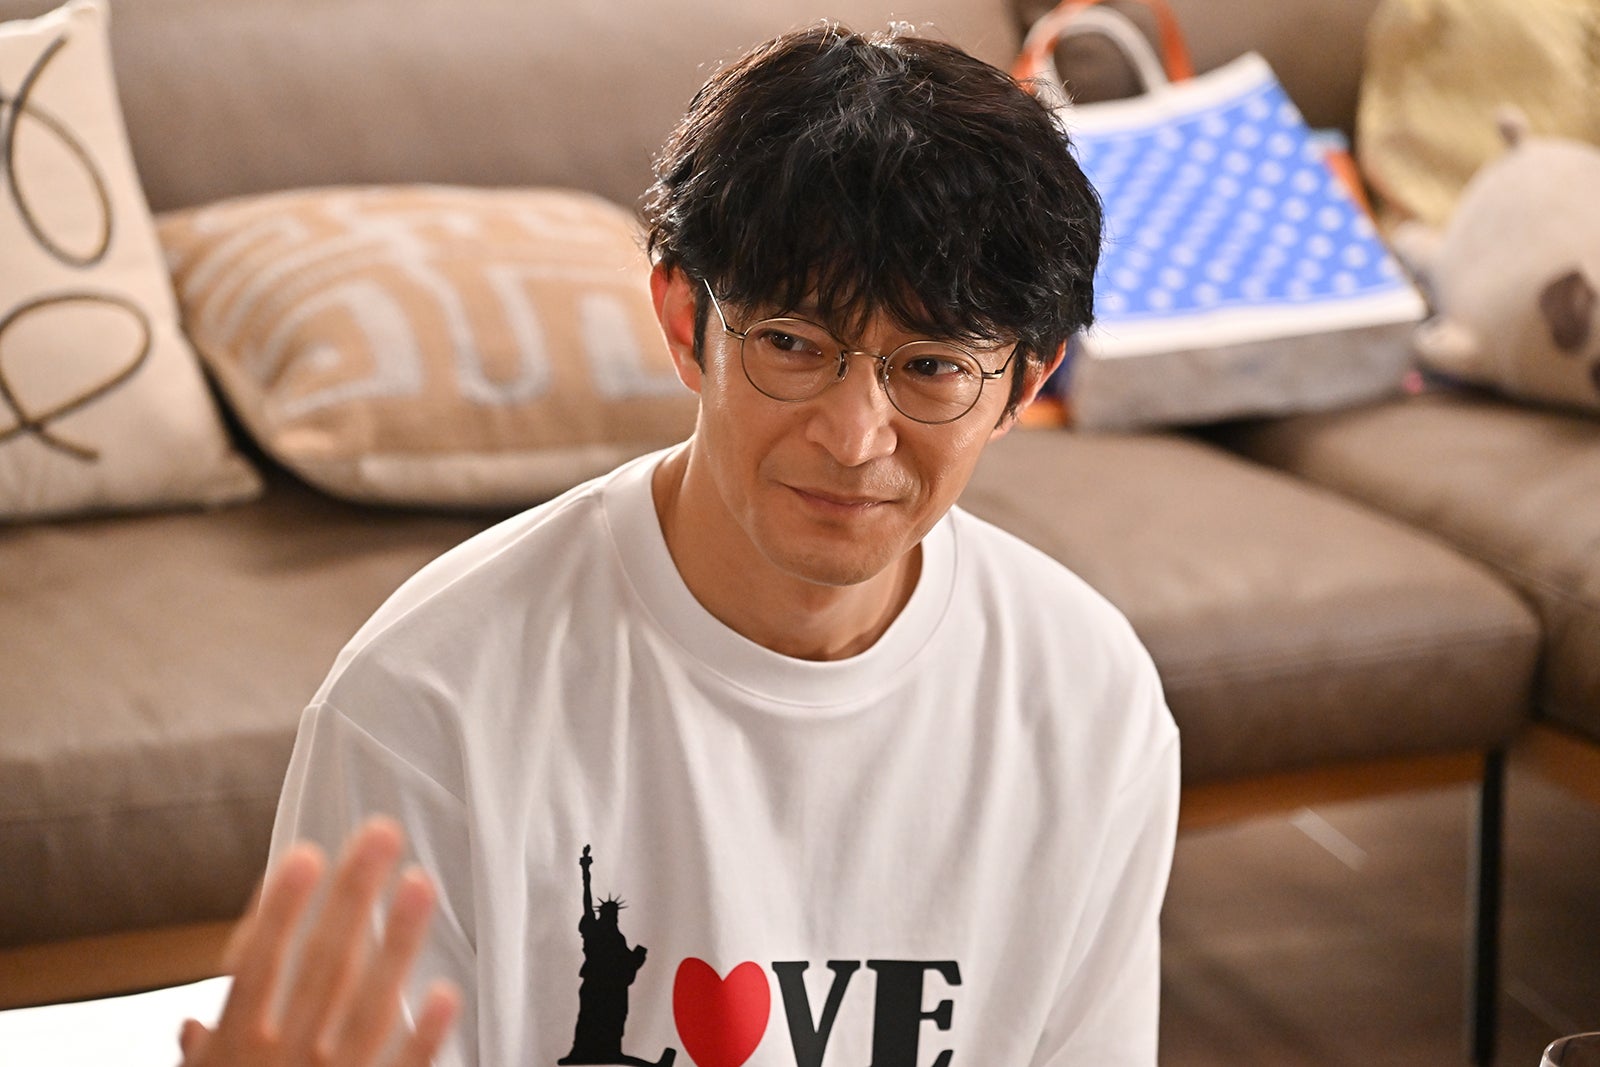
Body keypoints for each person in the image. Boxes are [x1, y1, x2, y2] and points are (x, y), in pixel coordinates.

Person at [178, 21, 1179, 1067]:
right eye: (792, 345)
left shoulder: (1087, 699)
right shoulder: (428, 701)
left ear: (1023, 382)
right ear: (679, 316)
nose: (853, 438)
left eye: (930, 367)